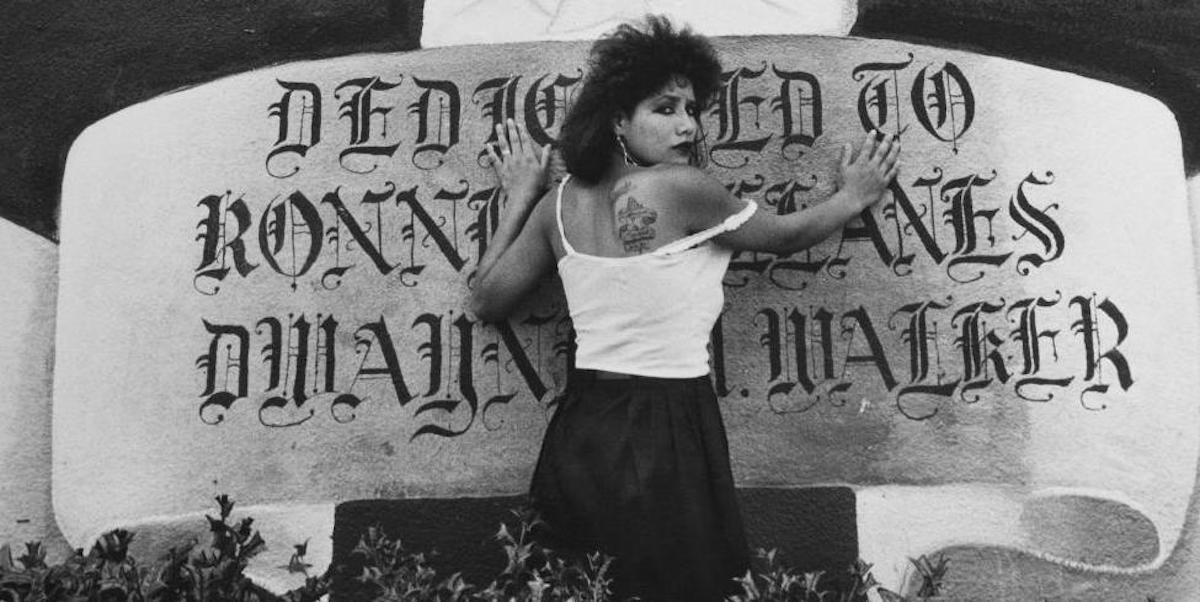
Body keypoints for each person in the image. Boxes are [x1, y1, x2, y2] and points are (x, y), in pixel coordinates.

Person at [468, 15, 899, 601]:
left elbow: (486, 298)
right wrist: (853, 196)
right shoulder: (681, 188)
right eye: (664, 109)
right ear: (619, 118)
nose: (687, 127)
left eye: (691, 110)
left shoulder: (557, 205)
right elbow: (781, 236)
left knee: (590, 587)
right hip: (667, 424)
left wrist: (521, 195)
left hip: (582, 426)